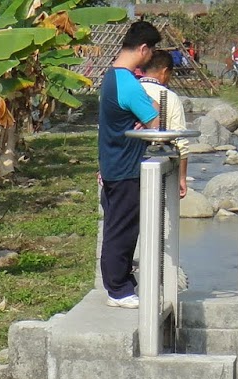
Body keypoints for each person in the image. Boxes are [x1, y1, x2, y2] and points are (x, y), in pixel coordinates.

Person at [97, 19, 160, 309]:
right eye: (152, 52)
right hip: (126, 168)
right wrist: (152, 109)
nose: (151, 58)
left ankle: (121, 282)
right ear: (143, 49)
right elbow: (155, 122)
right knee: (121, 230)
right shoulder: (130, 85)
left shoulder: (111, 77)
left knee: (115, 226)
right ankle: (118, 289)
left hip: (111, 163)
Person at [136, 51, 189, 199]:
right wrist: (182, 178)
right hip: (159, 166)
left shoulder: (132, 91)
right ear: (165, 71)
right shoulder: (170, 97)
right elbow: (181, 142)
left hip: (128, 165)